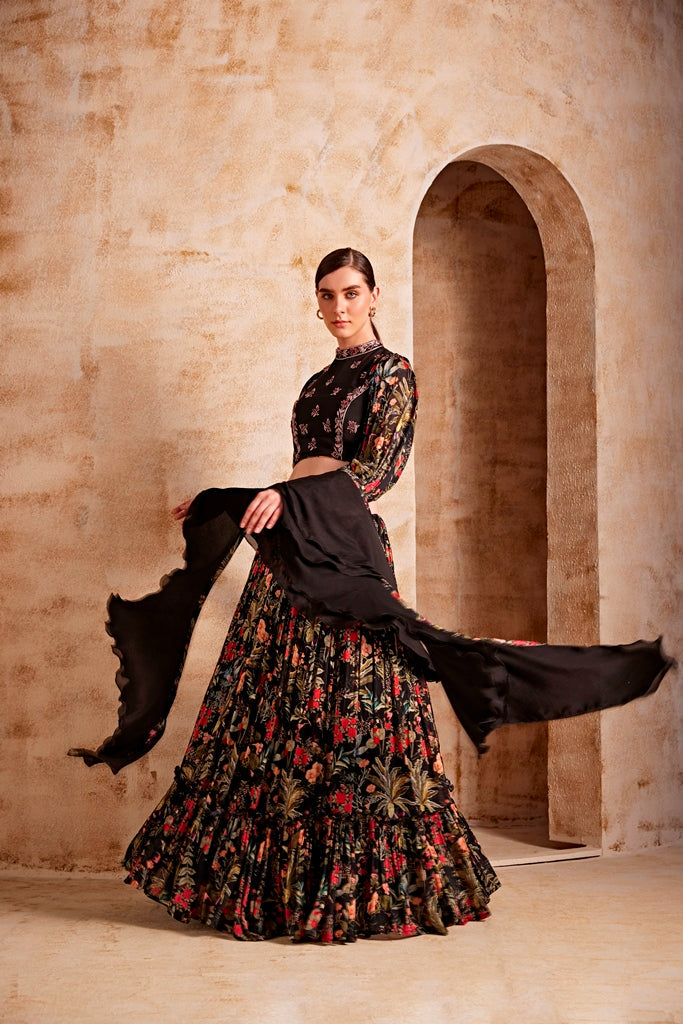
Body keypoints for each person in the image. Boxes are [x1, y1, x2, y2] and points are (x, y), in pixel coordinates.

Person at [69, 248, 673, 943]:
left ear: (375, 296)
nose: (338, 307)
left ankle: (367, 888)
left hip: (343, 546)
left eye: (351, 293)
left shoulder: (392, 373)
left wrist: (286, 499)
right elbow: (303, 470)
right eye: (326, 295)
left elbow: (375, 472)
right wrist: (232, 500)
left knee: (358, 700)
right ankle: (269, 887)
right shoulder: (318, 381)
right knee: (273, 700)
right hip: (294, 545)